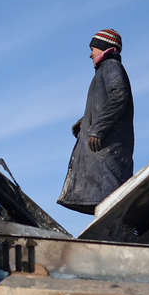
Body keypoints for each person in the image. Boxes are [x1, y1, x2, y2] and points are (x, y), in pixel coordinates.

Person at [57, 29, 134, 214]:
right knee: (106, 202)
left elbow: (119, 95)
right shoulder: (105, 71)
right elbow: (107, 102)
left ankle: (112, 233)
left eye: (93, 49)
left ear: (105, 48)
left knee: (111, 201)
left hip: (107, 151)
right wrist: (86, 121)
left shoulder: (111, 67)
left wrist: (98, 128)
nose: (90, 54)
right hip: (106, 151)